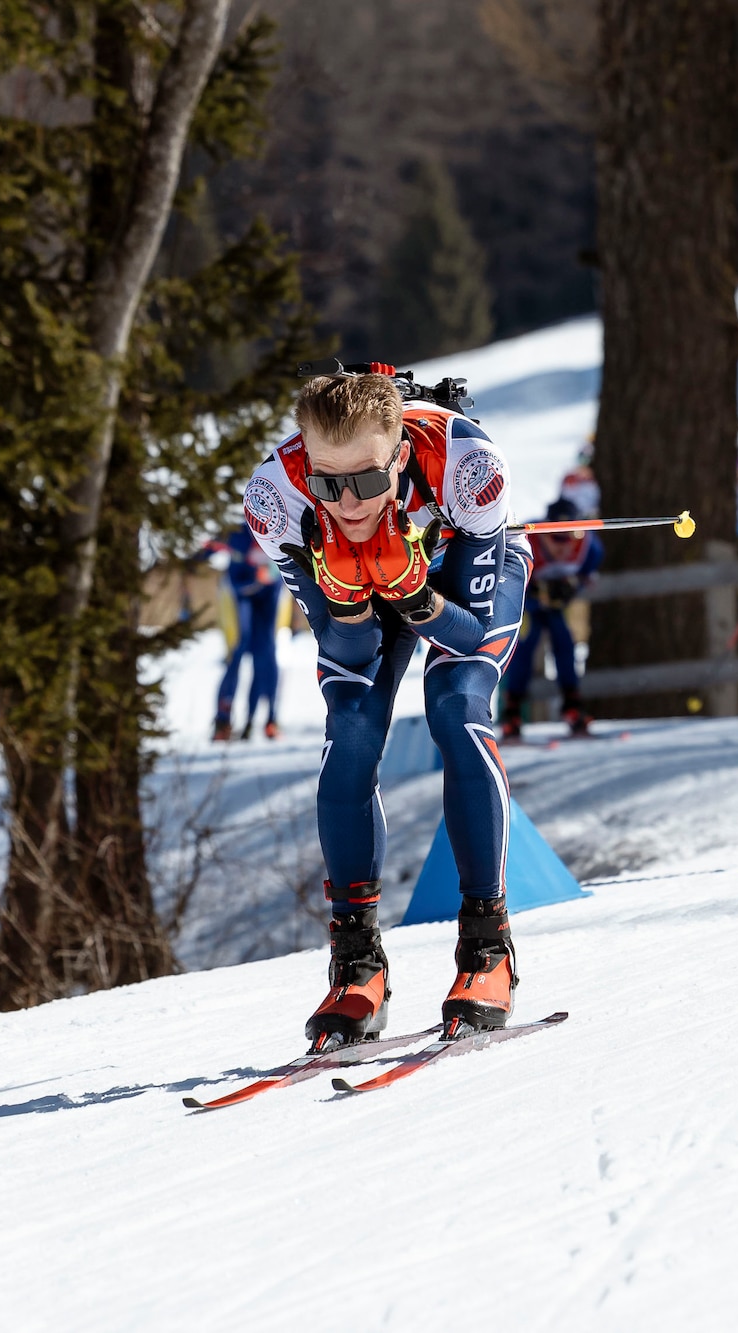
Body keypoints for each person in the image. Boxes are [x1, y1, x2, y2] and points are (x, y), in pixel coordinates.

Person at [243, 369, 530, 1049]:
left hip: (454, 570)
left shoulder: (468, 469)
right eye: (328, 482)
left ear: (399, 456)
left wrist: (413, 591)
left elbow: (470, 628)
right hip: (363, 588)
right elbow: (350, 646)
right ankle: (357, 964)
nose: (346, 502)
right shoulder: (275, 497)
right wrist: (345, 595)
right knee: (350, 727)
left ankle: (488, 947)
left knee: (456, 707)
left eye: (367, 481)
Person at [501, 498, 604, 739]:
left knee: (564, 643)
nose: (563, 545)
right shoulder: (530, 537)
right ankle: (513, 711)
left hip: (557, 606)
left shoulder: (588, 546)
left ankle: (572, 706)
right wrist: (535, 591)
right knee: (524, 647)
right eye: (556, 536)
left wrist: (572, 587)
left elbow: (589, 572)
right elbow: (507, 568)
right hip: (528, 605)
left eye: (571, 535)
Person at [206, 525, 285, 742]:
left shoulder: (281, 527)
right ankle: (223, 720)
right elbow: (206, 549)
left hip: (270, 594)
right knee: (237, 651)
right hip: (238, 594)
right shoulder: (238, 533)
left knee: (267, 653)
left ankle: (267, 718)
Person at [559, 439, 600, 518]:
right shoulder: (569, 478)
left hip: (587, 518)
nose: (583, 464)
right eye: (581, 459)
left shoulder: (595, 481)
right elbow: (562, 499)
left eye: (587, 461)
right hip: (570, 516)